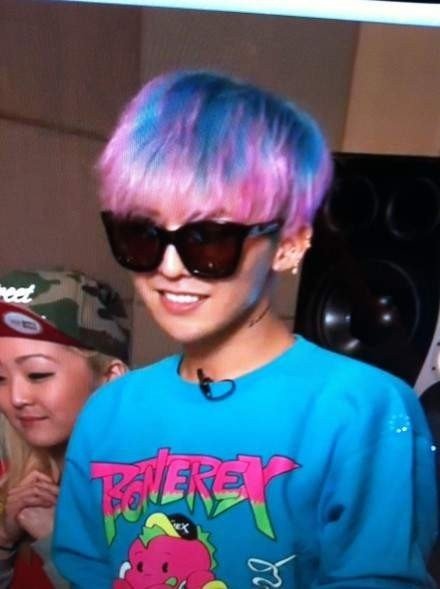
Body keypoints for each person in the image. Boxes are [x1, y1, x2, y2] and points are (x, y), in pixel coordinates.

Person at [53, 70, 437, 588]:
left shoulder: (361, 409)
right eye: (141, 235)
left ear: (289, 244)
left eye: (209, 238)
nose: (169, 268)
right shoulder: (108, 412)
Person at [0, 270, 130, 588]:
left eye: (38, 374)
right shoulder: (5, 476)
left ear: (109, 378)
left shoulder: (155, 493)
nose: (16, 398)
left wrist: (57, 542)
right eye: (0, 379)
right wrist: (3, 538)